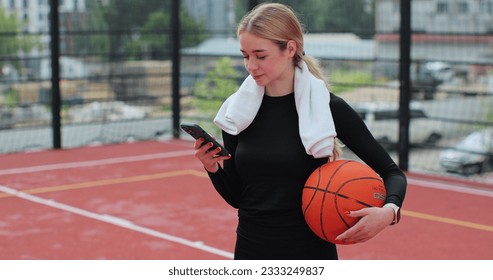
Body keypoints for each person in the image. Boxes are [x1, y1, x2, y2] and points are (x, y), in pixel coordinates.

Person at [191, 3, 406, 260]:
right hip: (251, 249)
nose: (250, 65)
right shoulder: (237, 112)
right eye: (245, 55)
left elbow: (392, 173)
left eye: (260, 55)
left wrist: (389, 211)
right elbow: (239, 197)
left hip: (310, 252)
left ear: (290, 49)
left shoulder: (327, 107)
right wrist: (212, 168)